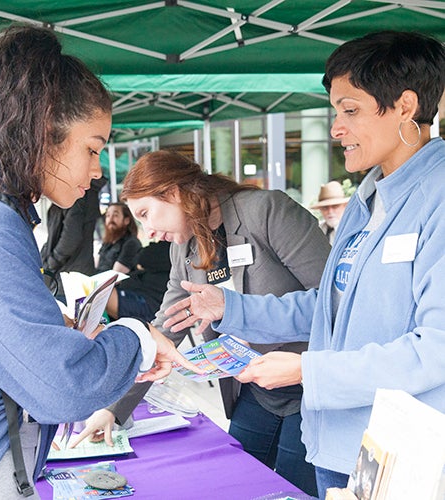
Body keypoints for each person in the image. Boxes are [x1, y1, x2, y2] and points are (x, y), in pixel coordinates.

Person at [162, 31, 445, 499]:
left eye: (350, 110)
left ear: (405, 106)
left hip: (405, 457)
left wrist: (306, 371)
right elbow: (329, 309)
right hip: (336, 444)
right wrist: (231, 309)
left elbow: (435, 350)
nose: (336, 128)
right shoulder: (368, 198)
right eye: (336, 111)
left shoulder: (436, 196)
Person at [0, 25, 199, 500]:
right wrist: (139, 338)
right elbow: (62, 386)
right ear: (43, 132)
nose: (98, 169)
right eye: (93, 148)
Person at [74, 149, 331, 496]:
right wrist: (113, 409)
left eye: (148, 214)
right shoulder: (183, 248)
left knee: (296, 490)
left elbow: (334, 306)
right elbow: (163, 330)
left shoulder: (267, 210)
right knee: (236, 485)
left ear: (174, 193)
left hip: (309, 388)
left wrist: (231, 308)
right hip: (255, 389)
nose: (149, 231)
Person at [41, 177, 106, 300]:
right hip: (71, 276)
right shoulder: (79, 195)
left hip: (68, 279)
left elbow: (71, 237)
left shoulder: (76, 196)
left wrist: (51, 262)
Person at [106, 240, 172, 322]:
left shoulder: (172, 247)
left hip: (150, 302)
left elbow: (143, 257)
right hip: (135, 290)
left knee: (100, 295)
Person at [96, 202, 142, 274]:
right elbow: (95, 265)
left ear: (126, 220)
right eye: (108, 215)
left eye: (115, 215)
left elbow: (116, 277)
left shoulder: (132, 243)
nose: (110, 219)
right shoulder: (107, 243)